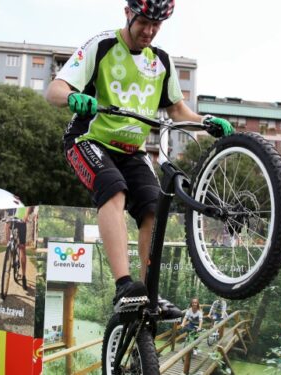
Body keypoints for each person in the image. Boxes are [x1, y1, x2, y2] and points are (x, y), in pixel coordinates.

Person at [46, 0, 234, 321]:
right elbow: (54, 89)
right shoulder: (102, 45)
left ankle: (148, 294)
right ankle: (124, 287)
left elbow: (177, 111)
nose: (148, 31)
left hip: (133, 150)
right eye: (143, 22)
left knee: (154, 208)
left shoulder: (161, 62)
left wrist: (205, 122)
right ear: (128, 14)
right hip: (88, 140)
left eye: (156, 26)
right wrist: (72, 97)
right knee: (113, 188)